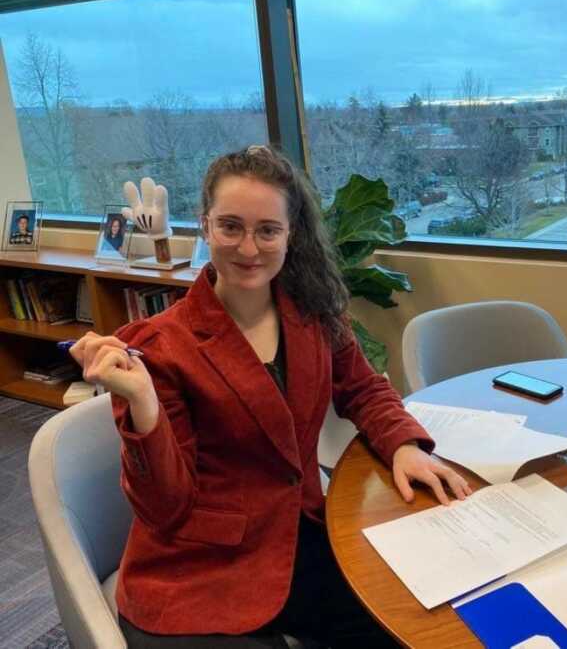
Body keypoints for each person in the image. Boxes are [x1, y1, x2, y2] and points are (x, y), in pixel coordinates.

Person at [69, 145, 471, 648]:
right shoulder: (159, 348)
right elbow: (165, 509)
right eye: (231, 226)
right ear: (205, 225)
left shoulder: (316, 313)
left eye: (267, 230)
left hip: (299, 539)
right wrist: (144, 406)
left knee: (421, 628)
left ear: (290, 234)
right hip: (199, 569)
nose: (249, 249)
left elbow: (364, 388)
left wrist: (404, 445)